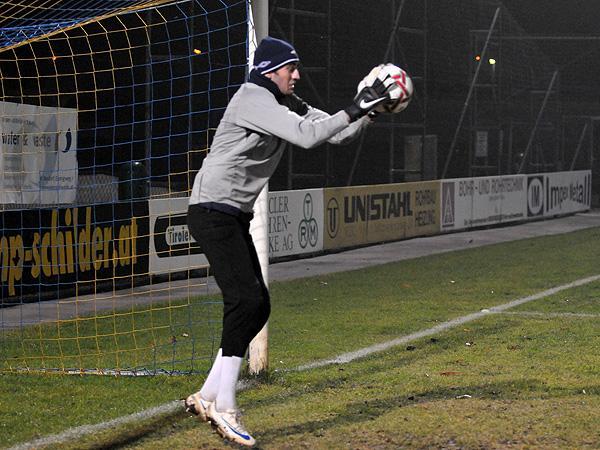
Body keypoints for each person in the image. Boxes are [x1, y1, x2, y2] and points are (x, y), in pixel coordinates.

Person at [185, 36, 392, 447]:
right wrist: (355, 107)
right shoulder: (253, 98)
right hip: (212, 210)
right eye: (290, 68)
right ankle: (225, 405)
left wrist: (369, 111)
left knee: (256, 305)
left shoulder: (283, 102)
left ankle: (208, 395)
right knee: (247, 301)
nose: (297, 75)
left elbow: (334, 134)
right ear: (269, 71)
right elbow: (308, 137)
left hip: (230, 214)